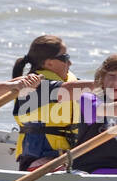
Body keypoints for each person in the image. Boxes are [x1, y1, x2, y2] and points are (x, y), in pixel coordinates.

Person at [11, 35, 96, 171]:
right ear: (49, 63)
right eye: (65, 58)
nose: (70, 63)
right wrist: (105, 84)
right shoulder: (33, 88)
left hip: (65, 157)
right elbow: (65, 90)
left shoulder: (71, 82)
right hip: (36, 162)